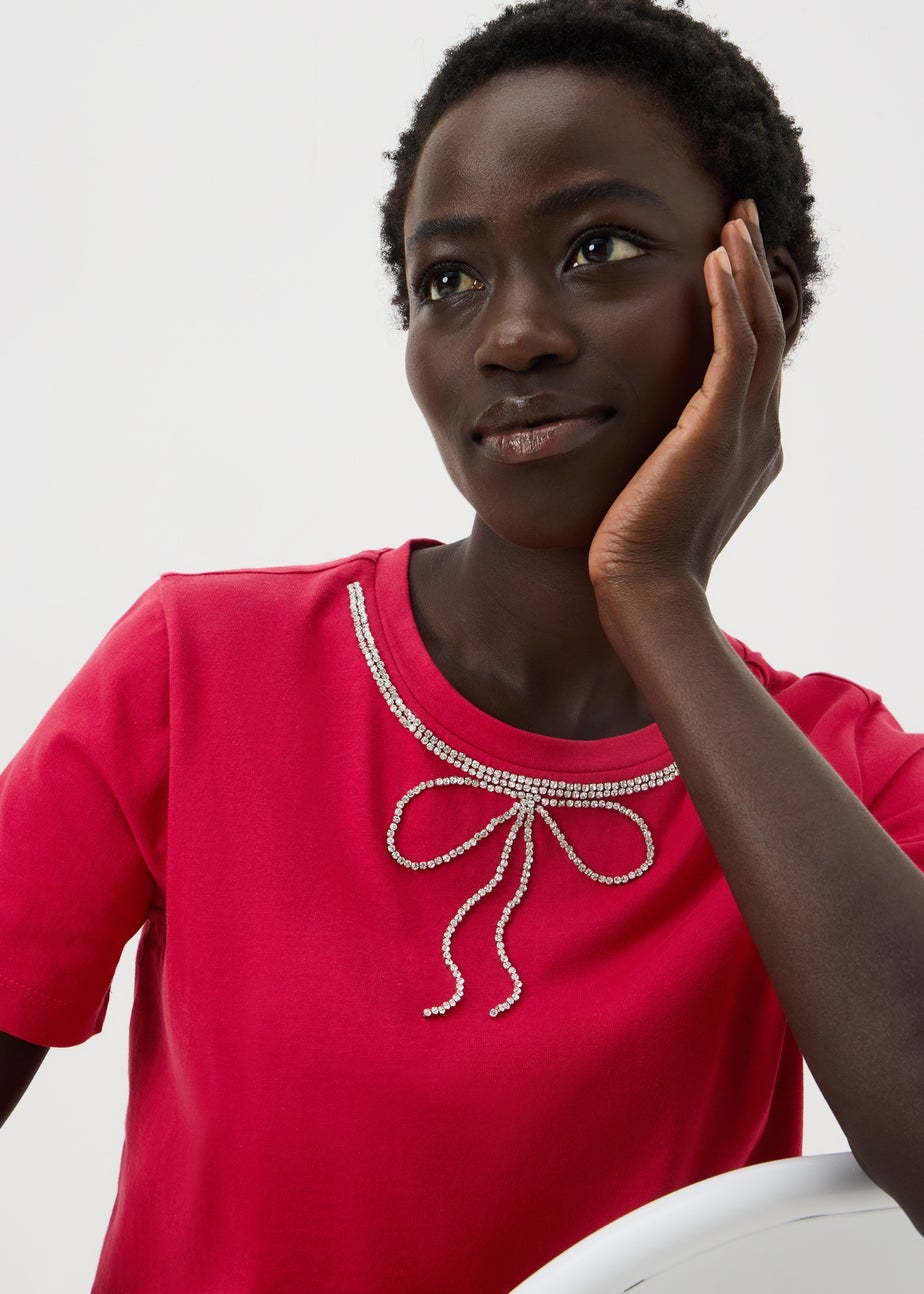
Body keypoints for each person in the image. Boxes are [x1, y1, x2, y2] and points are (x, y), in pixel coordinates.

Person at [1, 0, 923, 1290]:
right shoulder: (195, 671)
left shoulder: (845, 777)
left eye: (600, 246)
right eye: (449, 279)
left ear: (757, 298)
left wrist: (653, 592)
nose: (512, 335)